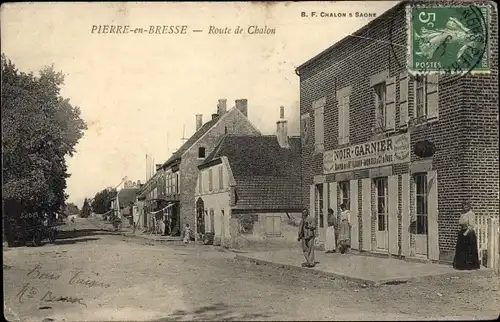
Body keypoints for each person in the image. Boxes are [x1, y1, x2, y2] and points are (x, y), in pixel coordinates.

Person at [453, 201, 480, 270]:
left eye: (467, 206)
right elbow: (461, 223)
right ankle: (462, 265)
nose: (465, 208)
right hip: (462, 231)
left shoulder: (471, 214)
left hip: (469, 233)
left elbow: (471, 225)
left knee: (469, 249)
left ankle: (470, 266)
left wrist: (466, 233)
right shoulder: (462, 214)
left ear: (469, 207)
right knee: (462, 249)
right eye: (464, 206)